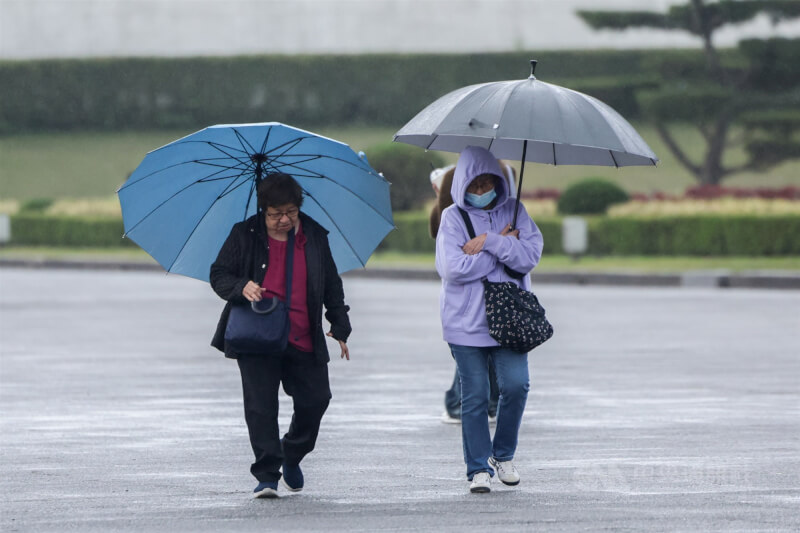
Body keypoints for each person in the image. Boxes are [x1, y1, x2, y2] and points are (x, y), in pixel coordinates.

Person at [209, 172, 352, 499]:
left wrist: (340, 324)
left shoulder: (314, 235)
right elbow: (219, 274)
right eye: (275, 214)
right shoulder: (244, 233)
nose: (283, 220)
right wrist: (240, 286)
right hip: (257, 337)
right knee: (260, 407)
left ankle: (292, 452)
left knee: (316, 400)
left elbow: (331, 282)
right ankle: (267, 475)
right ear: (264, 210)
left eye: (290, 212)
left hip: (303, 334)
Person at [435, 146, 543, 494]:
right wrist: (500, 249)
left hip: (510, 320)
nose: (482, 192)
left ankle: (503, 455)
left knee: (516, 385)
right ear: (462, 184)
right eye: (475, 186)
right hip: (464, 324)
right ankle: (478, 468)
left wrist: (487, 242)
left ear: (499, 181)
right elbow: (453, 268)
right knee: (476, 395)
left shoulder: (516, 210)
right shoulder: (452, 218)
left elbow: (529, 257)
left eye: (488, 184)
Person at [429, 160, 517, 425]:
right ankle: (459, 402)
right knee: (473, 350)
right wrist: (495, 245)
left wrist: (497, 243)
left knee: (488, 349)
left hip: (497, 288)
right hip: (467, 286)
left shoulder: (506, 170)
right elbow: (442, 231)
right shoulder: (457, 175)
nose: (481, 191)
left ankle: (482, 402)